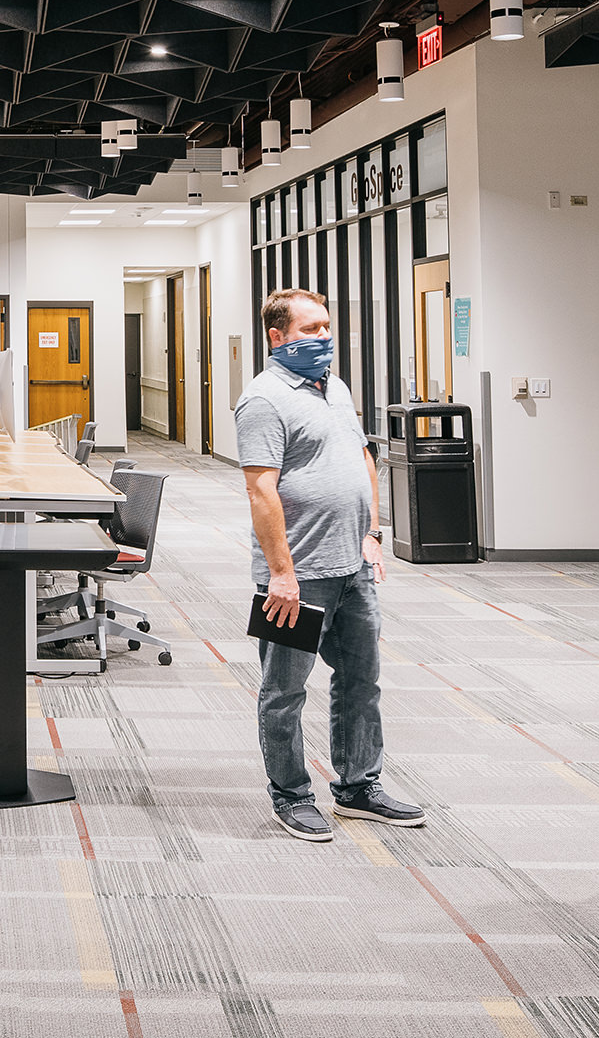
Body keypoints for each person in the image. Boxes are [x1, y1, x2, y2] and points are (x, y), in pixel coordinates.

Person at [238, 288, 424, 843]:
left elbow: (361, 456)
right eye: (310, 329)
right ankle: (291, 795)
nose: (324, 339)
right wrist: (281, 573)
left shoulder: (336, 388)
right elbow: (260, 490)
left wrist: (372, 532)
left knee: (361, 680)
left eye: (326, 328)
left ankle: (358, 786)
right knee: (285, 690)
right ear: (277, 337)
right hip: (296, 573)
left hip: (353, 566)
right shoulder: (263, 399)